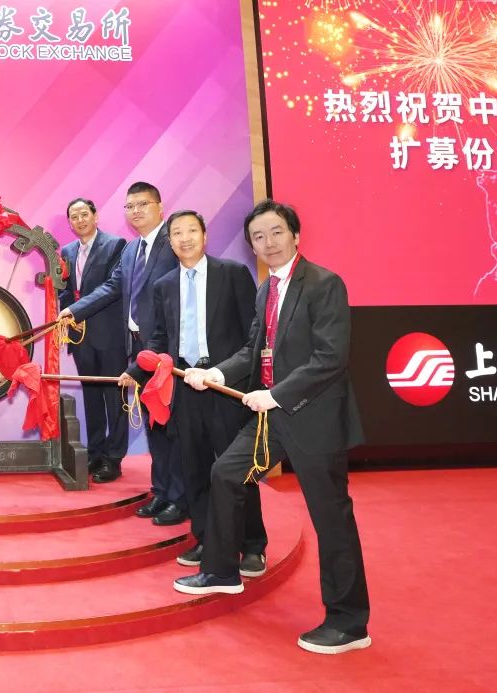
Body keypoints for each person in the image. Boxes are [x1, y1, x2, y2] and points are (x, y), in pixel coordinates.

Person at [177, 200, 371, 655]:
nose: (268, 242)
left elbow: (330, 358)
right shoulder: (267, 289)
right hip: (271, 418)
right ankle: (222, 570)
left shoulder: (324, 284)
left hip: (315, 419)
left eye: (276, 232)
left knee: (331, 520)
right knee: (226, 472)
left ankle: (349, 623)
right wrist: (217, 373)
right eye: (258, 237)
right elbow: (253, 351)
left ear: (295, 235)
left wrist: (278, 393)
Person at [122, 210, 266, 569]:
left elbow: (253, 334)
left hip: (226, 387)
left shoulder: (232, 273)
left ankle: (252, 544)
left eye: (191, 231)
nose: (184, 238)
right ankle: (205, 538)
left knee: (237, 468)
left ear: (205, 235)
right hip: (185, 387)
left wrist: (237, 378)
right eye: (177, 233)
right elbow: (160, 338)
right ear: (170, 241)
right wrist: (135, 370)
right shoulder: (164, 285)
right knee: (195, 469)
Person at [59, 182, 186, 525]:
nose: (136, 211)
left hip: (166, 348)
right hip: (138, 346)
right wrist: (72, 311)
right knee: (154, 422)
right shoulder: (131, 250)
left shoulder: (171, 242)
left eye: (143, 204)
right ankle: (162, 492)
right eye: (130, 206)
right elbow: (114, 286)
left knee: (170, 424)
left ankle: (178, 497)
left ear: (160, 206)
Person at [57, 198, 129, 482]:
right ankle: (96, 452)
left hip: (109, 335)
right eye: (74, 217)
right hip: (80, 337)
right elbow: (65, 291)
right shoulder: (67, 251)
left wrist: (75, 310)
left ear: (95, 216)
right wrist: (65, 312)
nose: (80, 220)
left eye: (84, 214)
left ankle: (114, 458)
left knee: (115, 400)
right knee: (91, 398)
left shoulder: (115, 245)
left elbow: (113, 286)